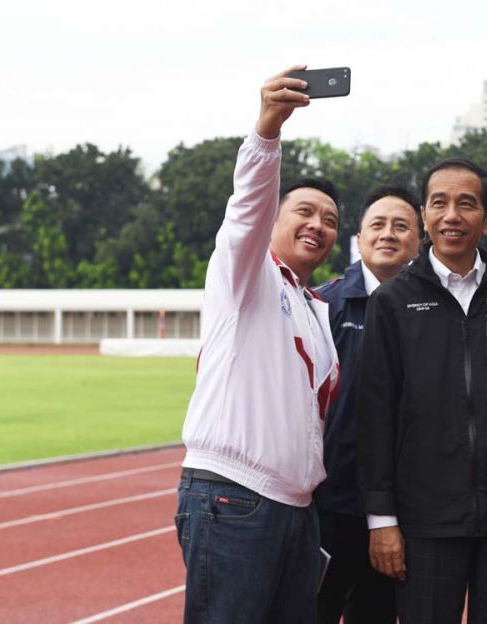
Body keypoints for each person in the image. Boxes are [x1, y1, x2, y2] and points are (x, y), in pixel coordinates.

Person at [356, 157, 487, 624]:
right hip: (425, 521)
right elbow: (375, 414)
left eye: (466, 204)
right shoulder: (393, 301)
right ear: (425, 216)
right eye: (439, 203)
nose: (452, 215)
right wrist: (381, 519)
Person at [175, 65, 341, 624]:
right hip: (234, 496)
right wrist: (268, 131)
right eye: (304, 211)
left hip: (294, 508)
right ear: (274, 217)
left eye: (331, 220)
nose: (318, 224)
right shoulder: (245, 276)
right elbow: (245, 210)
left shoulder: (314, 306)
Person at [315, 185, 422, 624]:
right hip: (327, 506)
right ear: (358, 239)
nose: (388, 234)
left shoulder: (433, 311)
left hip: (405, 511)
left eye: (401, 226)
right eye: (377, 225)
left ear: (420, 241)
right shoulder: (324, 305)